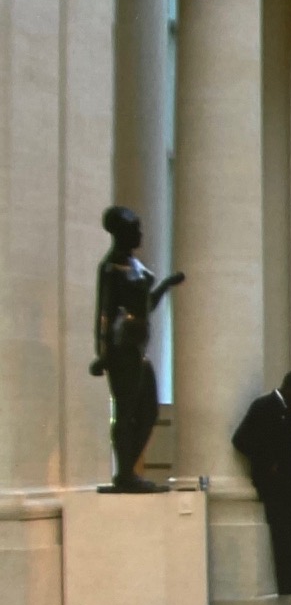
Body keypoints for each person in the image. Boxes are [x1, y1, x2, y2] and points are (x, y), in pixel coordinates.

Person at [90, 205, 182, 492]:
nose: (141, 233)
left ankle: (128, 470)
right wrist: (102, 354)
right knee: (126, 409)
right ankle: (125, 474)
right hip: (121, 346)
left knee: (149, 410)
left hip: (138, 346)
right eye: (135, 228)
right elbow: (104, 313)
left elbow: (146, 305)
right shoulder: (111, 267)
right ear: (121, 232)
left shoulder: (135, 266)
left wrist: (166, 285)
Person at [233, 370, 291, 605]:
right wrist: (269, 464)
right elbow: (242, 440)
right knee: (290, 541)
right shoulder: (265, 408)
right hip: (277, 489)